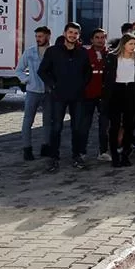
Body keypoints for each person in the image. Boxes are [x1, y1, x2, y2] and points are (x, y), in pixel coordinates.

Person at [38, 22, 91, 173]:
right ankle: (54, 158)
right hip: (58, 96)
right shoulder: (53, 51)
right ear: (64, 33)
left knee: (77, 128)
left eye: (76, 33)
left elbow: (88, 72)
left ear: (79, 36)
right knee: (56, 127)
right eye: (70, 32)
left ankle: (77, 156)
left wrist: (82, 85)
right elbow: (42, 71)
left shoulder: (82, 53)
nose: (73, 35)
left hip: (78, 96)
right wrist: (53, 85)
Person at [102, 33, 135, 167]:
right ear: (124, 44)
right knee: (114, 125)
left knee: (129, 125)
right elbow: (106, 78)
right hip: (116, 91)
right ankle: (114, 155)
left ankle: (126, 155)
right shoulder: (112, 57)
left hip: (132, 91)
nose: (133, 47)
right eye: (130, 44)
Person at [16, 26, 52, 161]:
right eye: (37, 36)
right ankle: (27, 149)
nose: (38, 39)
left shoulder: (53, 52)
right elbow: (19, 70)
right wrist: (27, 80)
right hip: (32, 91)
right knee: (28, 120)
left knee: (48, 120)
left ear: (48, 36)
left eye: (41, 36)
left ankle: (45, 146)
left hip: (48, 91)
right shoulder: (30, 52)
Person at [79, 28, 110, 160]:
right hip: (88, 94)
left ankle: (103, 151)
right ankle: (81, 151)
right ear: (92, 39)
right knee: (85, 124)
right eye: (97, 37)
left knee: (104, 125)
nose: (100, 40)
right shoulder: (84, 54)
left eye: (102, 37)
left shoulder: (110, 55)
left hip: (104, 95)